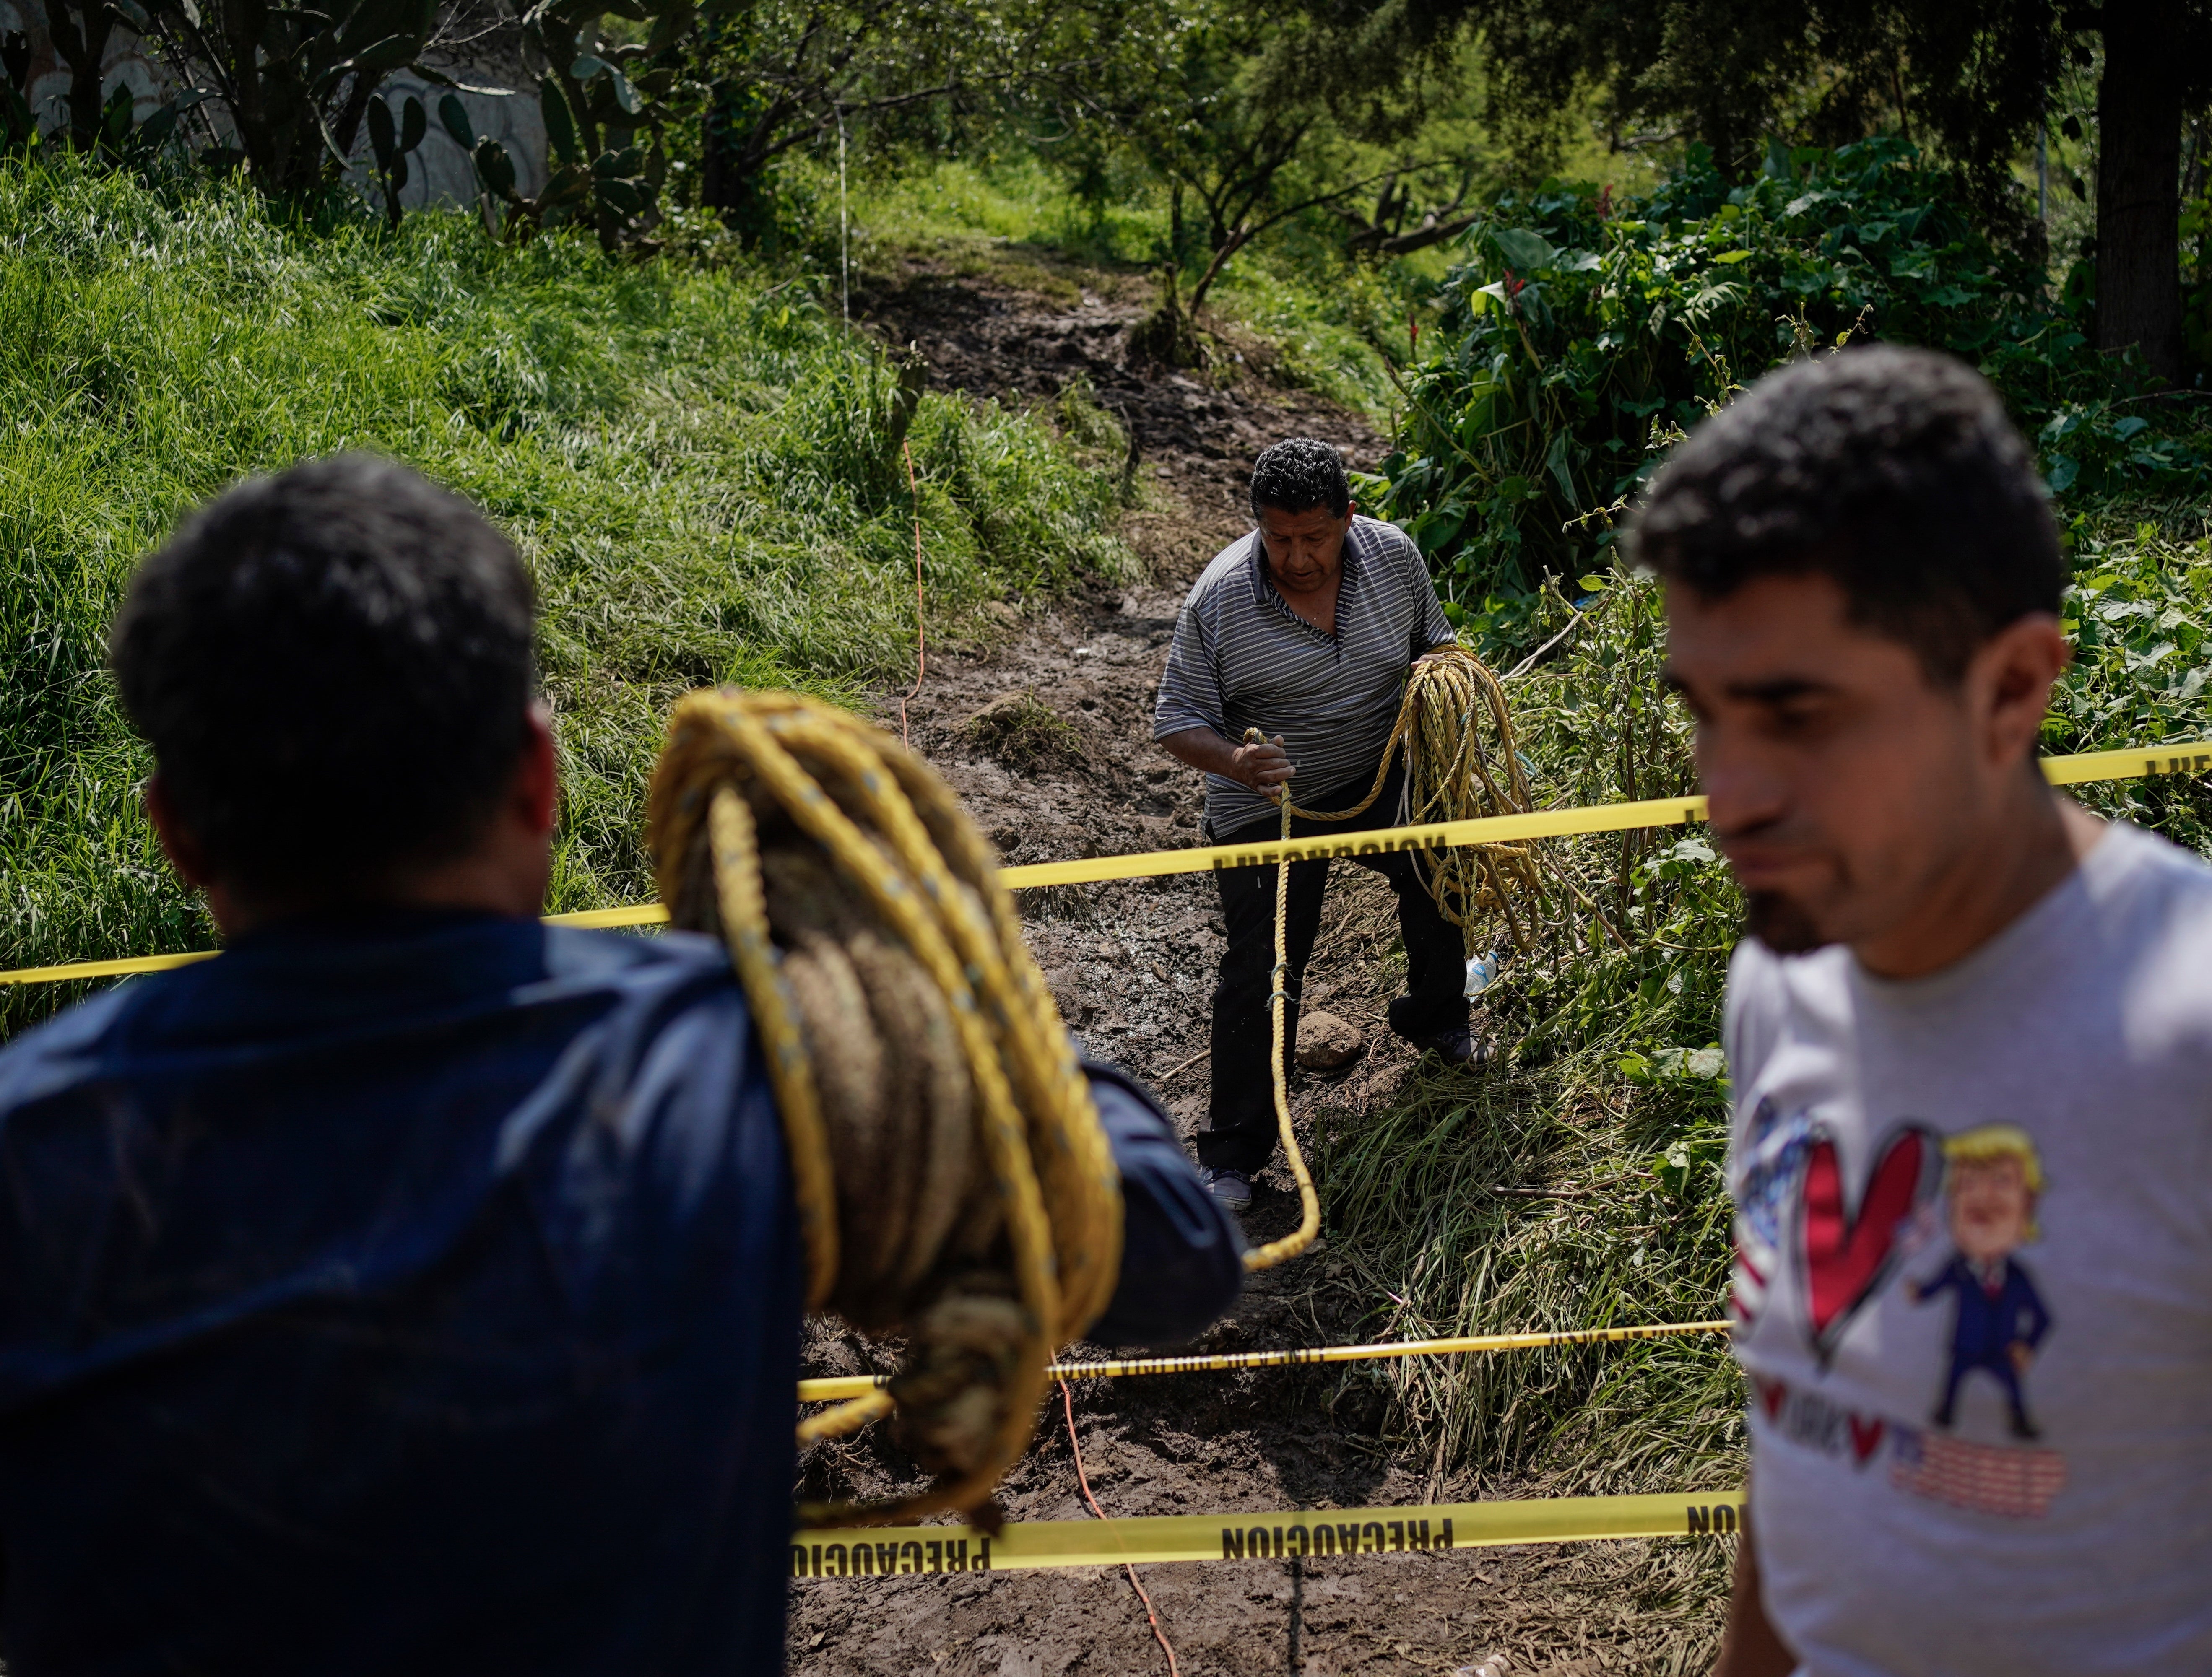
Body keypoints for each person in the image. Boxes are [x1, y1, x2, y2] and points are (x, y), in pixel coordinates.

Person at [0, 455, 1242, 1677]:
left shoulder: (34, 1144)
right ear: (538, 777)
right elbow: (1173, 1259)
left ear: (172, 832)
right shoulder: (754, 1070)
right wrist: (940, 989)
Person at [1626, 345, 2212, 1676]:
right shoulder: (1790, 973)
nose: (1729, 793)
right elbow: (1821, 1441)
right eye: (1703, 713)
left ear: (2013, 690)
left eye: (1799, 715)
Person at [1154, 437, 1492, 1213]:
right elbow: (1175, 722)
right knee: (1265, 965)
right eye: (1280, 539)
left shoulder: (1395, 558)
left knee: (1440, 872)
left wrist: (1443, 672)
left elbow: (1435, 644)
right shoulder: (1219, 599)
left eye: (1315, 537)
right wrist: (1236, 762)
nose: (1299, 557)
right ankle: (1235, 1151)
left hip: (1378, 776)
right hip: (1265, 804)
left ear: (1348, 516)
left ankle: (1438, 1020)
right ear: (1257, 528)